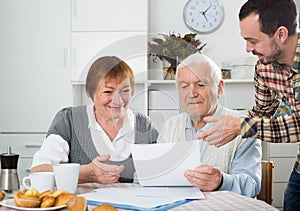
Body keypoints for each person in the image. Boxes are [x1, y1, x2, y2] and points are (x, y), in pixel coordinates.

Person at [196, 0, 300, 210]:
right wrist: (228, 124)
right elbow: (262, 112)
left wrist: (241, 126)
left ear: (280, 34)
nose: (248, 48)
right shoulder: (265, 68)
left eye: (253, 41)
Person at [31, 56, 158, 184]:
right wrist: (86, 174)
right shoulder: (69, 120)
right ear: (90, 92)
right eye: (108, 92)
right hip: (81, 203)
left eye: (125, 91)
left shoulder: (144, 125)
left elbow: (158, 176)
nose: (118, 100)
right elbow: (38, 172)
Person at [159, 53, 262, 197]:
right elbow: (156, 176)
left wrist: (221, 182)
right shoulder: (169, 127)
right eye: (184, 86)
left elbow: (251, 186)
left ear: (219, 88)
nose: (192, 93)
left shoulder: (242, 126)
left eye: (200, 84)